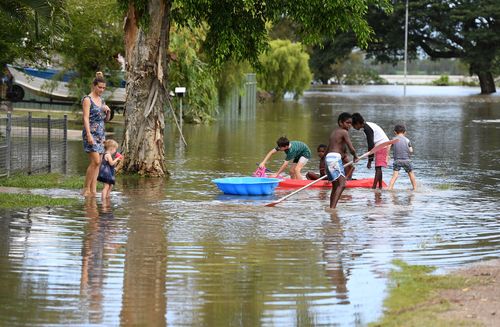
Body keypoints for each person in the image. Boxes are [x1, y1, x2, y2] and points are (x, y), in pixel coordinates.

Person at [82, 72, 111, 197]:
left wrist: (108, 111)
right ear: (94, 86)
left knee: (98, 164)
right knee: (96, 161)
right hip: (91, 133)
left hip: (100, 133)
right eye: (100, 87)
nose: (102, 90)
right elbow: (85, 118)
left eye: (104, 88)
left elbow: (105, 119)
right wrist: (88, 134)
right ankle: (85, 189)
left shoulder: (102, 100)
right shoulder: (87, 99)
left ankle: (93, 190)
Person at [326, 112, 358, 208]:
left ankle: (331, 207)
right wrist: (355, 156)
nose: (349, 125)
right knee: (342, 184)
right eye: (347, 123)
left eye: (350, 123)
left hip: (329, 158)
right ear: (340, 122)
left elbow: (328, 149)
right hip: (335, 158)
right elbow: (351, 148)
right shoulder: (344, 132)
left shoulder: (334, 133)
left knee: (335, 186)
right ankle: (333, 208)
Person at [351, 113, 390, 189]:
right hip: (380, 145)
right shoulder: (367, 126)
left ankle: (374, 187)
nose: (353, 127)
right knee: (378, 168)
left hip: (382, 145)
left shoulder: (367, 128)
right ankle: (380, 187)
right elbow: (371, 144)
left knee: (378, 167)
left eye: (353, 125)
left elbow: (370, 144)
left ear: (358, 123)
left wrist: (370, 160)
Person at [388, 125, 417, 190]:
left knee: (395, 176)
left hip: (397, 160)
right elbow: (411, 150)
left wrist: (388, 155)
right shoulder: (407, 140)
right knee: (411, 174)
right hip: (407, 160)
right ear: (405, 132)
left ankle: (389, 188)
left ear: (395, 132)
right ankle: (415, 188)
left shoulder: (393, 139)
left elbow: (388, 146)